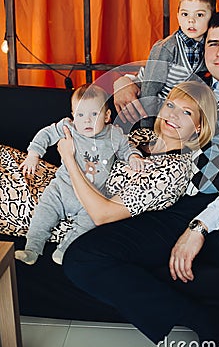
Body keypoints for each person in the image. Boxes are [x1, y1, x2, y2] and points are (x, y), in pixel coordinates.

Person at [63, 11, 219, 347]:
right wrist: (120, 84)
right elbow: (138, 85)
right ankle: (208, 325)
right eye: (213, 43)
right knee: (81, 258)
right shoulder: (189, 87)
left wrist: (200, 226)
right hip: (171, 205)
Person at [15, 83, 144, 266]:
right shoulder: (69, 127)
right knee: (43, 212)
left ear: (107, 116)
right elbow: (46, 134)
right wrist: (33, 155)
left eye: (94, 114)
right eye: (81, 115)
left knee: (88, 223)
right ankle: (32, 248)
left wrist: (134, 158)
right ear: (73, 115)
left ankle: (64, 250)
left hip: (92, 197)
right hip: (62, 189)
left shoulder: (114, 135)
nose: (87, 121)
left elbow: (127, 148)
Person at [56, 80, 217, 225]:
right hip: (63, 190)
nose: (173, 114)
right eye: (170, 105)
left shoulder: (173, 171)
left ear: (199, 126)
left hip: (73, 219)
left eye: (186, 112)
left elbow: (102, 215)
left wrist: (68, 158)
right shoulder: (143, 136)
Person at [113, 0, 219, 128]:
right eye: (185, 14)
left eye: (199, 15)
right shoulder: (166, 48)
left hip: (178, 112)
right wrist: (146, 128)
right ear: (177, 16)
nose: (191, 21)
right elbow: (150, 88)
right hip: (151, 107)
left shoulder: (210, 45)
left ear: (211, 18)